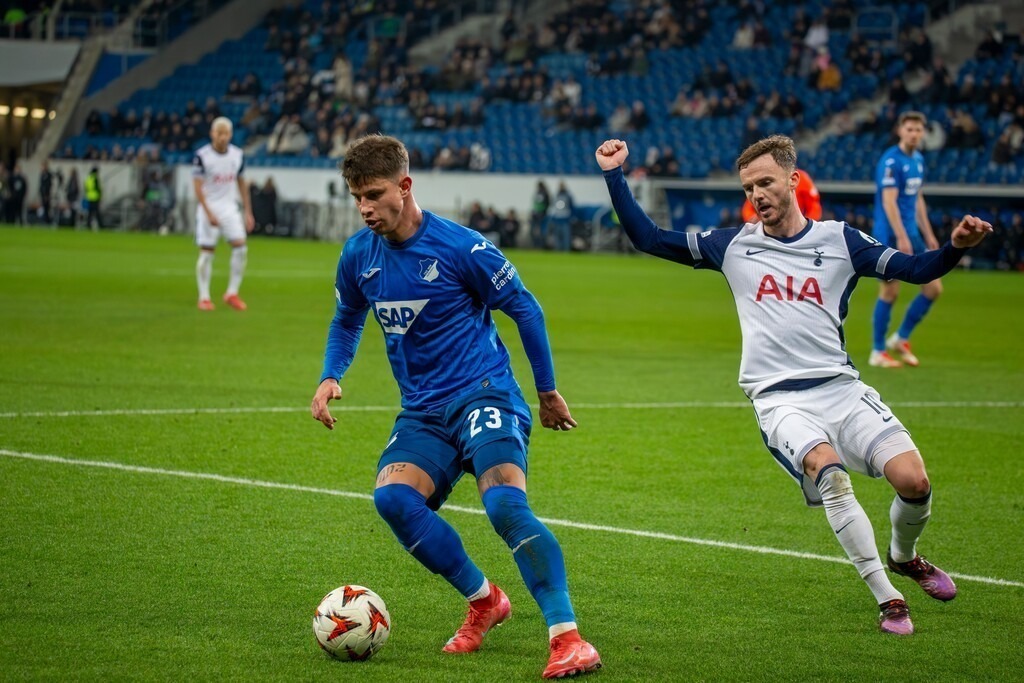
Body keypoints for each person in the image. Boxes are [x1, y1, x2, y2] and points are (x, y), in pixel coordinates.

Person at [596, 135, 992, 635]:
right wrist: (615, 174)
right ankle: (888, 598)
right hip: (780, 399)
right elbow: (649, 238)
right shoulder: (733, 245)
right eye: (748, 187)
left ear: (793, 180)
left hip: (842, 389)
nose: (757, 194)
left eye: (765, 182)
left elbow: (913, 269)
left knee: (915, 483)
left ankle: (904, 557)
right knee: (829, 474)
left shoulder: (840, 240)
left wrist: (955, 248)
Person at [310, 135, 601, 679]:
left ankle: (568, 638)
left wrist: (546, 391)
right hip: (422, 412)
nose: (365, 208)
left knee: (503, 507)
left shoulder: (462, 248)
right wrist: (331, 375)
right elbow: (347, 317)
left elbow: (526, 309)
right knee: (393, 499)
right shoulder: (358, 256)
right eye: (356, 198)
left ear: (406, 185)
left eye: (374, 194)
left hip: (484, 392)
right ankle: (485, 600)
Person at [870, 111, 941, 368]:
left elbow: (917, 198)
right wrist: (900, 235)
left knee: (933, 288)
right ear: (900, 130)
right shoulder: (890, 162)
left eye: (918, 130)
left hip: (911, 233)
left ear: (923, 133)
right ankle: (878, 351)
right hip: (890, 234)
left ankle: (900, 337)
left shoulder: (918, 160)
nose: (914, 134)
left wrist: (928, 233)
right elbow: (889, 202)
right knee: (890, 290)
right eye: (909, 129)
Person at [192, 117, 255, 311]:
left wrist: (248, 211)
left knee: (241, 248)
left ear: (230, 135)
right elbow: (197, 187)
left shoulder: (237, 155)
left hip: (229, 208)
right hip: (209, 208)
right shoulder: (202, 156)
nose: (222, 137)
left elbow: (241, 183)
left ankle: (232, 293)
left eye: (225, 133)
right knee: (207, 253)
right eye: (219, 133)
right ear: (212, 134)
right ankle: (204, 297)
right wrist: (207, 211)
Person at [742, 167, 821, 223]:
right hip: (767, 228)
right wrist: (755, 222)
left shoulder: (802, 178)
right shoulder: (760, 180)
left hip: (794, 226)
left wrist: (805, 226)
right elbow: (748, 209)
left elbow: (814, 207)